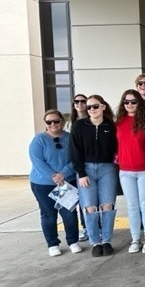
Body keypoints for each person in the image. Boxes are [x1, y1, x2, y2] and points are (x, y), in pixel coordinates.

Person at [70, 95, 118, 257]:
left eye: (95, 106)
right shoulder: (79, 126)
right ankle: (95, 242)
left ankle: (106, 240)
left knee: (107, 205)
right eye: (89, 107)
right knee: (90, 207)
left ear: (103, 107)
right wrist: (81, 173)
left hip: (107, 169)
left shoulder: (111, 126)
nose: (91, 109)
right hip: (86, 169)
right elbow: (74, 151)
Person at [30, 109, 82, 257]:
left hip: (65, 182)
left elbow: (76, 158)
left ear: (62, 122)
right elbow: (37, 162)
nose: (53, 124)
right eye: (49, 122)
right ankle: (52, 244)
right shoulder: (38, 140)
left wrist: (63, 174)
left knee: (69, 213)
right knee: (49, 215)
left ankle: (73, 241)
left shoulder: (70, 138)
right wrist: (54, 176)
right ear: (45, 124)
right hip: (42, 184)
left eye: (56, 121)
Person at [115, 89, 145, 253]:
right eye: (126, 102)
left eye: (133, 101)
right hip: (125, 171)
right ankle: (135, 239)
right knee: (132, 206)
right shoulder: (118, 122)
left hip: (144, 170)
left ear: (139, 103)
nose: (130, 104)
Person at [63, 94, 88, 241]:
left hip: (90, 164)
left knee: (90, 200)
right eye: (76, 102)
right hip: (73, 168)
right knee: (76, 201)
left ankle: (94, 226)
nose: (79, 104)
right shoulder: (69, 124)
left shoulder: (94, 120)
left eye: (82, 101)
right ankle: (84, 228)